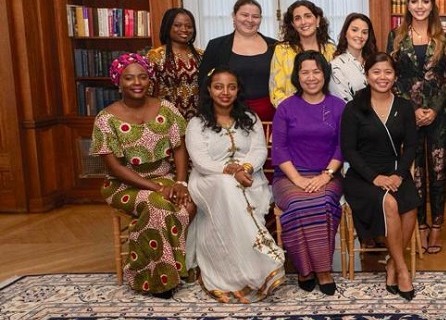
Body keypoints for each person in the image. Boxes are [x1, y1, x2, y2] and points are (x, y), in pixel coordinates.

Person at [90, 52, 193, 298]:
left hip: (164, 177)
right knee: (158, 205)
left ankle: (175, 267)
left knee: (189, 203)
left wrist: (180, 182)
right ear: (118, 81)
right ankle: (157, 280)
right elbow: (115, 168)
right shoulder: (106, 119)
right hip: (124, 184)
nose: (137, 83)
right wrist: (157, 188)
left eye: (142, 77)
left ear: (150, 80)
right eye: (129, 78)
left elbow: (179, 148)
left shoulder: (167, 109)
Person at [185, 68, 284, 303]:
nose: (225, 92)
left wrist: (245, 168)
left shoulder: (250, 118)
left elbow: (259, 150)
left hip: (250, 178)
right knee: (226, 186)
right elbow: (200, 161)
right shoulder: (197, 123)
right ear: (209, 90)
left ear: (238, 90)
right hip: (209, 180)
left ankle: (249, 272)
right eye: (218, 86)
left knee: (233, 189)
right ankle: (261, 262)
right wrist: (230, 171)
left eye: (231, 87)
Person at [341, 53, 420, 300]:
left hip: (395, 170)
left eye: (388, 72)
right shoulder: (354, 108)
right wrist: (374, 177)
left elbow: (412, 146)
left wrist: (399, 175)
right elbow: (349, 150)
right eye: (376, 72)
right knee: (389, 203)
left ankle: (392, 264)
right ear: (367, 75)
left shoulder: (404, 107)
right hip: (362, 175)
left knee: (411, 203)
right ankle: (402, 270)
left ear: (395, 76)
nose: (382, 77)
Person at [270, 51, 346, 296]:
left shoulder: (338, 106)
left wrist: (326, 175)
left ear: (325, 74)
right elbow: (279, 149)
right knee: (297, 203)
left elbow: (342, 146)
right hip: (289, 176)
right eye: (305, 72)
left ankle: (322, 270)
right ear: (297, 75)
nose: (311, 77)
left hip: (328, 174)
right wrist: (298, 180)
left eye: (316, 71)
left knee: (322, 201)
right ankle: (305, 269)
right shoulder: (285, 107)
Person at [388, 0, 446, 255]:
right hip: (407, 115)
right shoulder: (396, 36)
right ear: (408, 5)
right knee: (416, 173)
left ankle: (436, 227)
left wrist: (434, 108)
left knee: (438, 171)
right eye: (415, 1)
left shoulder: (445, 37)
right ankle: (420, 226)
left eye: (425, 1)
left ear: (432, 4)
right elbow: (391, 76)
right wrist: (412, 109)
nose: (420, 6)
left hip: (439, 114)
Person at [199, 0, 278, 122]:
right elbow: (204, 83)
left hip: (270, 116)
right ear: (234, 16)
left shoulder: (275, 46)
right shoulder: (216, 46)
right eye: (244, 15)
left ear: (261, 19)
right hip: (228, 115)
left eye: (255, 16)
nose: (250, 20)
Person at [269, 0, 336, 108]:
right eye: (297, 18)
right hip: (292, 113)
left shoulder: (331, 50)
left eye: (308, 16)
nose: (303, 22)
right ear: (293, 24)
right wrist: (299, 111)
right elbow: (276, 92)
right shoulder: (282, 50)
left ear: (318, 20)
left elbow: (335, 88)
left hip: (326, 111)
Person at [147, 7, 202, 120]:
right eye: (177, 25)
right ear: (168, 27)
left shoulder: (202, 55)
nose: (184, 29)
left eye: (189, 26)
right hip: (167, 119)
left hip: (198, 120)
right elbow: (148, 93)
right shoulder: (155, 56)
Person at [330, 13, 377, 102]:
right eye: (354, 30)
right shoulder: (336, 66)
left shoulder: (374, 61)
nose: (360, 35)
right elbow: (343, 102)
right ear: (345, 33)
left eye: (364, 32)